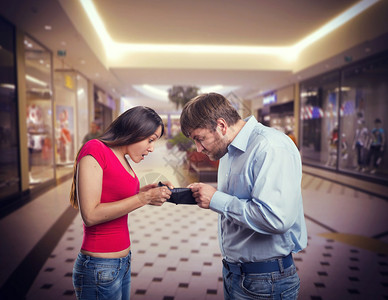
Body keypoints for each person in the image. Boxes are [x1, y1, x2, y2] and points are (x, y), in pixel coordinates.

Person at [180, 93, 307, 300]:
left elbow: (276, 218)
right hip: (235, 275)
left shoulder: (270, 146)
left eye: (200, 139)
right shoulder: (228, 152)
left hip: (267, 281)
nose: (199, 149)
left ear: (221, 125)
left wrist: (216, 200)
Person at [69, 106, 172, 300]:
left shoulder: (123, 158)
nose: (151, 148)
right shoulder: (95, 149)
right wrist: (144, 198)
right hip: (99, 266)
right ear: (134, 130)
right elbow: (90, 215)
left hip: (121, 263)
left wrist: (146, 192)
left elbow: (114, 198)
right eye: (150, 140)